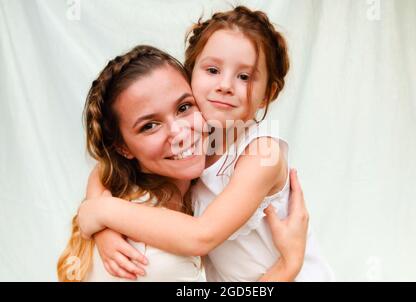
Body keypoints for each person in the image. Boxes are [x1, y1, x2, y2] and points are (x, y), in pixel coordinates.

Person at [77, 6, 334, 281]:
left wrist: (103, 212)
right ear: (190, 74)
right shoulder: (197, 138)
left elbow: (202, 236)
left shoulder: (261, 154)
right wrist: (102, 227)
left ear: (266, 95)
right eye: (212, 70)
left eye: (244, 77)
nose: (225, 85)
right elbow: (105, 169)